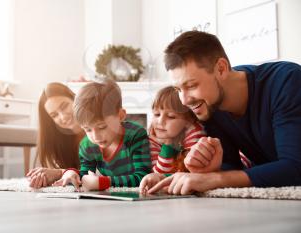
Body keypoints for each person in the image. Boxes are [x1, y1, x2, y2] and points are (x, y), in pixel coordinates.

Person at [148, 30, 301, 195]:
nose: (184, 101)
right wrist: (207, 171)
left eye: (191, 85)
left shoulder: (286, 82)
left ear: (221, 69)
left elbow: (295, 167)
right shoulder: (210, 106)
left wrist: (215, 179)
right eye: (178, 89)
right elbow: (232, 168)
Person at [53, 79, 151, 191]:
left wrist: (104, 182)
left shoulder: (136, 135)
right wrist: (71, 174)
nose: (95, 137)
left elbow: (144, 177)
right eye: (88, 129)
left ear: (120, 115)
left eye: (102, 127)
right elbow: (85, 176)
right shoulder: (87, 145)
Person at [26, 82, 85, 189]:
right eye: (54, 115)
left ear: (75, 99)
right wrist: (45, 176)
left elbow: (108, 174)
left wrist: (59, 173)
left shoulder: (100, 129)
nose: (63, 117)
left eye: (64, 106)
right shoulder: (59, 140)